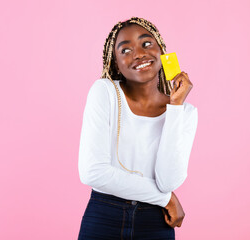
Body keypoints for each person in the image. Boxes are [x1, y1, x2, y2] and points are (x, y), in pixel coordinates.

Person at [77, 17, 198, 239]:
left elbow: (167, 182)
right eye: (125, 50)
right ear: (115, 63)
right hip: (105, 216)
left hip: (156, 222)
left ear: (162, 50)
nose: (139, 53)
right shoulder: (104, 93)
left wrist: (175, 107)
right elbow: (92, 172)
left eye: (146, 43)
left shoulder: (185, 112)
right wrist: (167, 199)